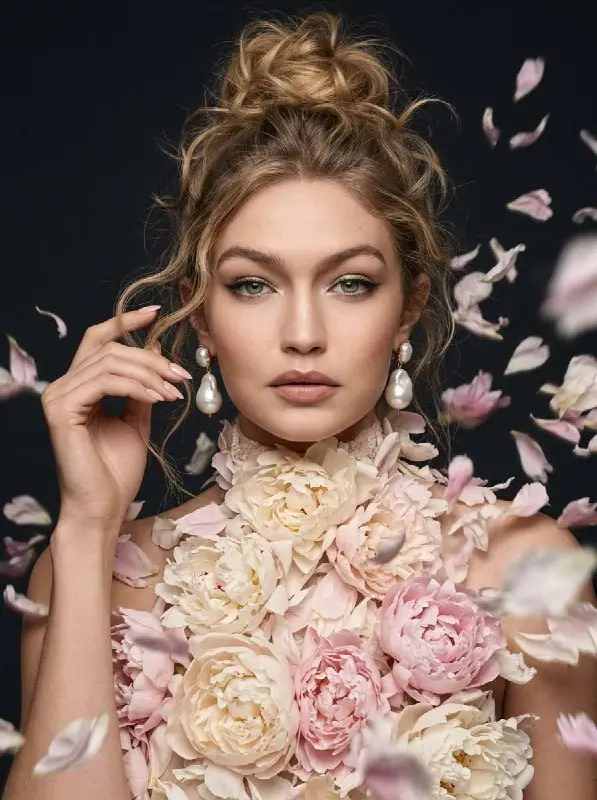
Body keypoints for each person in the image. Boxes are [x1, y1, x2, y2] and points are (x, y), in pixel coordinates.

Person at [4, 11, 597, 800]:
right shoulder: (95, 575)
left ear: (408, 309)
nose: (303, 334)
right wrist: (84, 529)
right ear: (201, 314)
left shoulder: (526, 570)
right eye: (253, 284)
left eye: (350, 282)